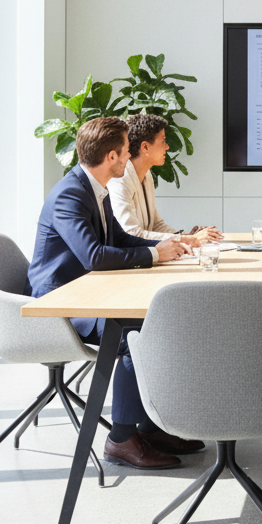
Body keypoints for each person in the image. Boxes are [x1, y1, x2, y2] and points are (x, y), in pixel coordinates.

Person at [24, 116, 202, 469]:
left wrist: (165, 247)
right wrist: (154, 255)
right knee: (136, 334)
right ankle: (121, 439)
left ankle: (149, 429)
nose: (129, 156)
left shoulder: (96, 187)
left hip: (88, 293)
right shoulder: (70, 194)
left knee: (151, 325)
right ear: (111, 157)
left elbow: (118, 239)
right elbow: (93, 255)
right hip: (61, 303)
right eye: (125, 151)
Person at [108, 113, 222, 244]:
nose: (167, 147)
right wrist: (188, 240)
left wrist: (186, 235)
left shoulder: (146, 175)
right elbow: (131, 234)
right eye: (163, 141)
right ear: (145, 147)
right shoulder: (120, 181)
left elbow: (156, 225)